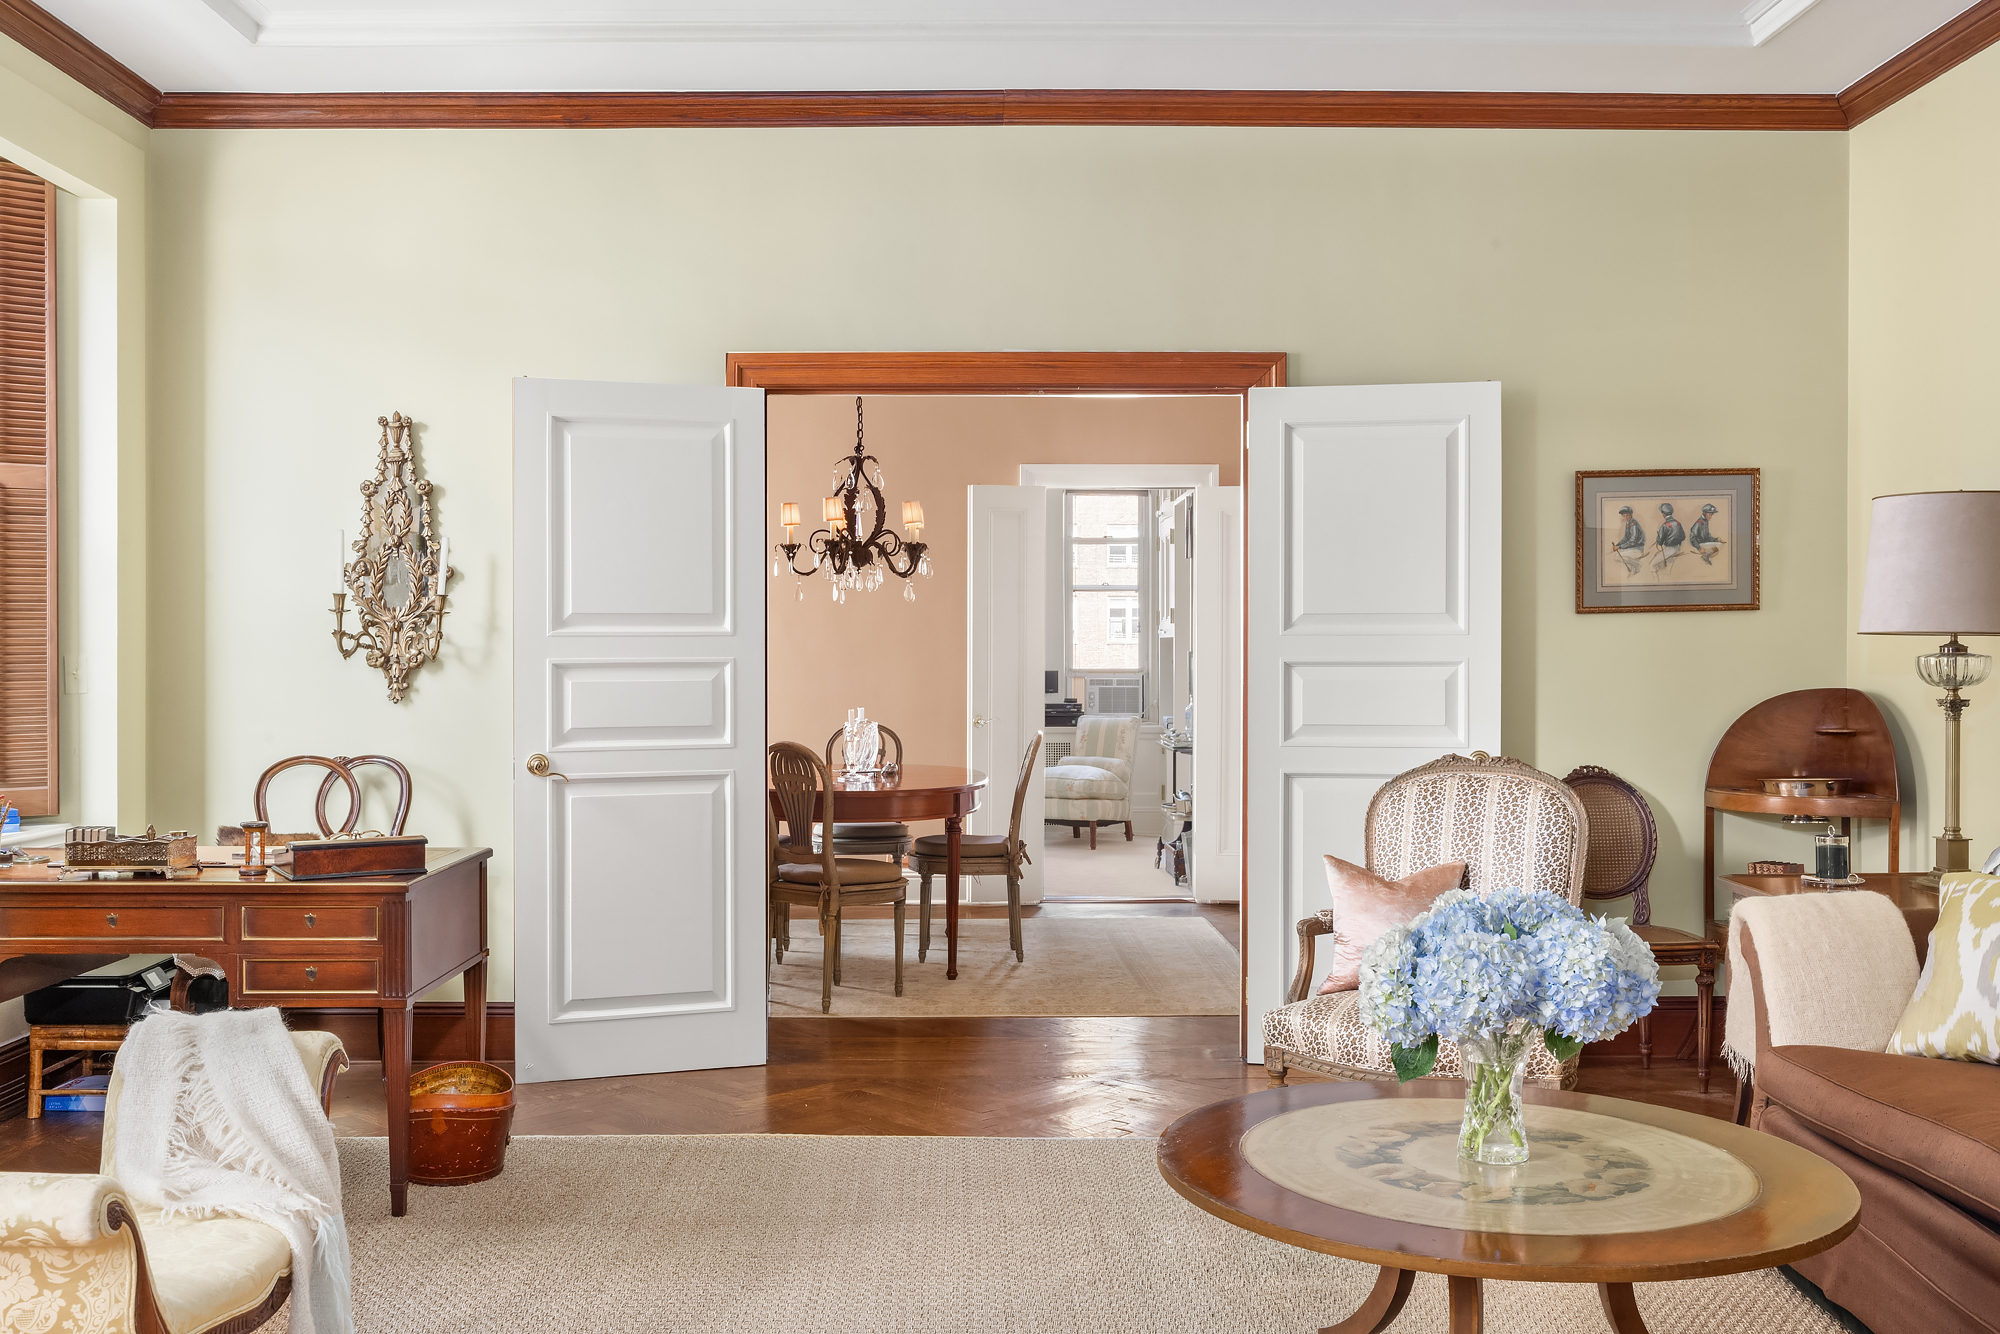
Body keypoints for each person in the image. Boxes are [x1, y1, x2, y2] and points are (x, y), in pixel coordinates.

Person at [1610, 504, 1645, 574]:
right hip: (1631, 548)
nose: (1625, 517)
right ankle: (1635, 566)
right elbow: (1625, 538)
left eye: (1627, 515)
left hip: (1637, 549)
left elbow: (1633, 541)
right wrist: (1617, 545)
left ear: (1631, 515)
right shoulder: (1628, 524)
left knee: (1617, 557)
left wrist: (1619, 547)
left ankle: (1637, 565)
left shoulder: (1633, 525)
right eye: (1623, 516)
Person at [1652, 502, 1686, 574]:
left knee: (1652, 565)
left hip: (1670, 550)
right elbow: (1683, 537)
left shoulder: (1664, 525)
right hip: (1678, 548)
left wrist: (1660, 540)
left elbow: (1659, 542)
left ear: (1663, 514)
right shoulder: (1678, 523)